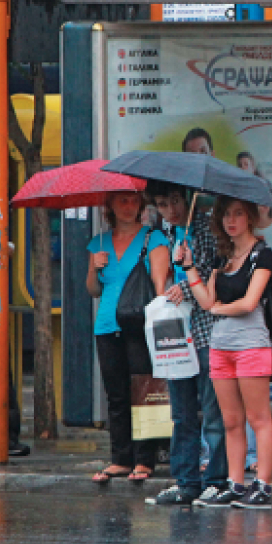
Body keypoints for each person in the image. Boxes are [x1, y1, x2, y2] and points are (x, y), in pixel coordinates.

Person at [178, 196, 272, 509]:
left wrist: (221, 308)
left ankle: (262, 484)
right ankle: (235, 483)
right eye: (226, 216)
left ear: (249, 217)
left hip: (250, 344)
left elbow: (250, 303)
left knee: (258, 418)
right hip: (220, 347)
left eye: (238, 214)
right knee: (230, 421)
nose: (231, 221)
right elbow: (206, 302)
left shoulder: (262, 254)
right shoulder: (224, 258)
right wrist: (190, 266)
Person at [143, 182, 228, 506]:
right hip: (176, 335)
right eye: (163, 204)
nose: (171, 209)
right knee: (182, 413)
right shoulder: (165, 231)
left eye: (175, 201)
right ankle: (186, 482)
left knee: (212, 411)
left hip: (206, 332)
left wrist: (186, 287)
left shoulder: (204, 227)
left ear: (186, 198)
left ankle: (215, 480)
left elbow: (215, 273)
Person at [87, 191, 171, 483]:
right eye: (121, 200)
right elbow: (93, 290)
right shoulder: (98, 242)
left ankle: (145, 459)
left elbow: (160, 288)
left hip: (139, 323)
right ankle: (120, 458)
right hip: (107, 325)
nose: (128, 206)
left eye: (133, 200)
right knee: (117, 395)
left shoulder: (154, 239)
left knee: (143, 391)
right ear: (109, 204)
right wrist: (95, 267)